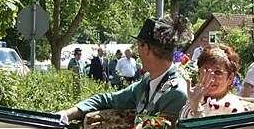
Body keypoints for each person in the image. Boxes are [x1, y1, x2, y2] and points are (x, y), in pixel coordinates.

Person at [59, 17, 190, 123]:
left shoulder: (176, 94)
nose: (136, 52)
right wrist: (67, 114)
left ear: (146, 48)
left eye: (138, 46)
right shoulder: (147, 82)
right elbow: (109, 99)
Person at [180, 44, 254, 119]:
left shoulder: (232, 108)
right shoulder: (195, 98)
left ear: (230, 78)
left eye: (218, 73)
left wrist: (196, 109)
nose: (210, 78)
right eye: (206, 71)